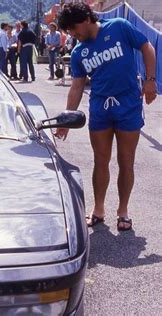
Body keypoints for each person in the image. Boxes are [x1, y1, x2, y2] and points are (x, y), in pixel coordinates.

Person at [55, 3, 157, 231]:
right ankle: (98, 209)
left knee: (126, 159)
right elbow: (77, 86)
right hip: (100, 107)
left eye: (73, 29)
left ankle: (123, 211)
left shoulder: (119, 27)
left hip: (128, 103)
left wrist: (150, 80)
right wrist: (67, 120)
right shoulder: (79, 52)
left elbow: (146, 47)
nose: (73, 34)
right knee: (100, 160)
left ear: (85, 19)